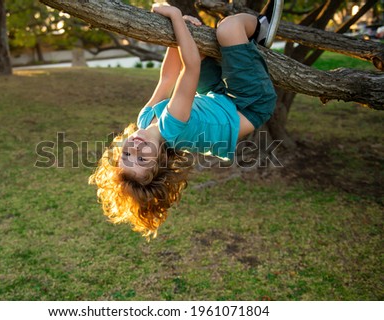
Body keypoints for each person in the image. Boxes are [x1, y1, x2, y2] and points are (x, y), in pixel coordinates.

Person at [89, 1, 283, 238]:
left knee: (196, 46)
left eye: (127, 155)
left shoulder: (145, 120)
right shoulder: (171, 127)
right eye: (142, 158)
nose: (134, 149)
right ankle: (261, 30)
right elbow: (189, 69)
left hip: (217, 98)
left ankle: (237, 48)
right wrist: (175, 16)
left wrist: (179, 30)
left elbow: (168, 78)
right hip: (249, 105)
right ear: (159, 160)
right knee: (228, 29)